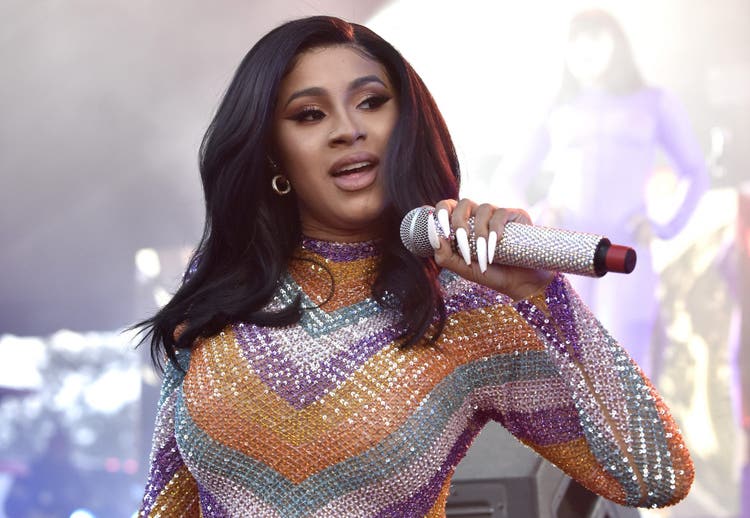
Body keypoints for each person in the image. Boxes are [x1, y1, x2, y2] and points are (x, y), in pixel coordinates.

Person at [136, 15, 694, 517]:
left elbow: (656, 475)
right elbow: (166, 504)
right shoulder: (225, 286)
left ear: (405, 123)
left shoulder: (462, 304)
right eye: (309, 114)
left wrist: (546, 298)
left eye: (371, 102)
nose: (348, 129)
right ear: (270, 152)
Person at [500, 9, 709, 378]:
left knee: (628, 367)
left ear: (617, 44)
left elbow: (695, 172)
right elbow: (509, 176)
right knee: (565, 367)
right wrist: (536, 218)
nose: (584, 48)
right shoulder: (556, 106)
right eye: (575, 40)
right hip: (565, 252)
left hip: (625, 248)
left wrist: (663, 224)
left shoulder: (654, 101)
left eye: (594, 38)